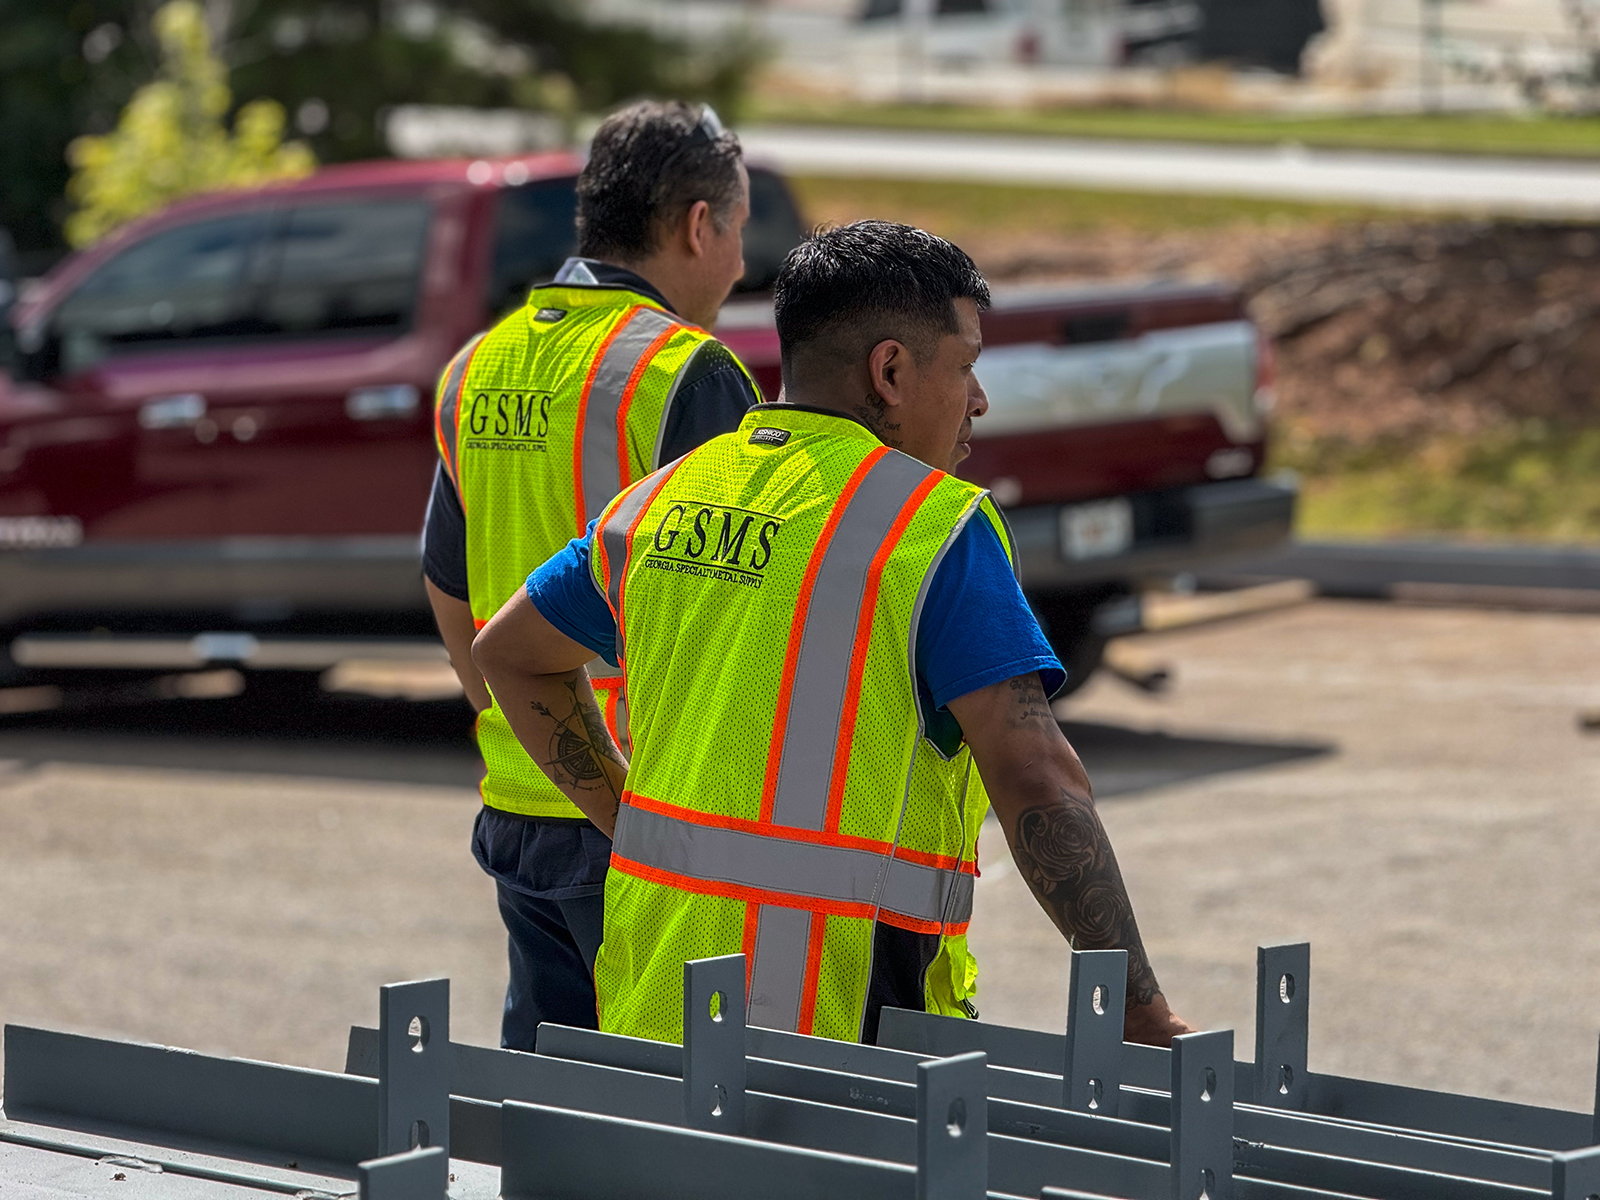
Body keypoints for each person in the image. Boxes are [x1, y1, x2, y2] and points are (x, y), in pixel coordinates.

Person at [472, 221, 1192, 1047]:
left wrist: (620, 812)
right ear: (889, 370)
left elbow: (510, 654)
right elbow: (1037, 780)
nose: (979, 398)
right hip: (842, 1037)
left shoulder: (662, 500)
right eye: (965, 365)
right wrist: (1138, 1006)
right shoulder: (932, 529)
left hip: (652, 1006)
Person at [422, 100, 760, 1050]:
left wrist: (507, 716)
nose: (739, 266)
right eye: (736, 233)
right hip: (638, 811)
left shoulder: (477, 365)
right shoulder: (685, 372)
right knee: (659, 1112)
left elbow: (448, 582)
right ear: (699, 224)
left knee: (549, 1106)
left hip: (522, 800)